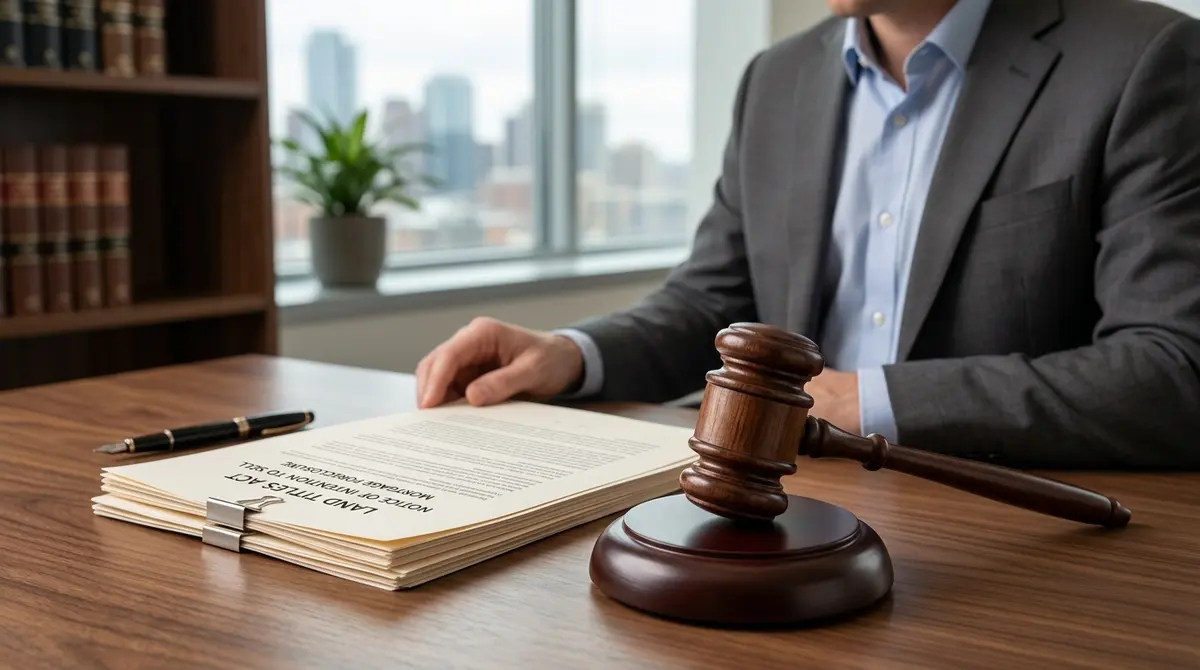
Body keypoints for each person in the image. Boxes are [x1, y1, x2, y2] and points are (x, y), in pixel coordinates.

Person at [416, 0, 1200, 469]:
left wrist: (877, 401)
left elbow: (1171, 372)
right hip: (788, 504)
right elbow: (715, 303)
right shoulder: (776, 79)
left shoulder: (1142, 59)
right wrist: (573, 354)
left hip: (1015, 529)